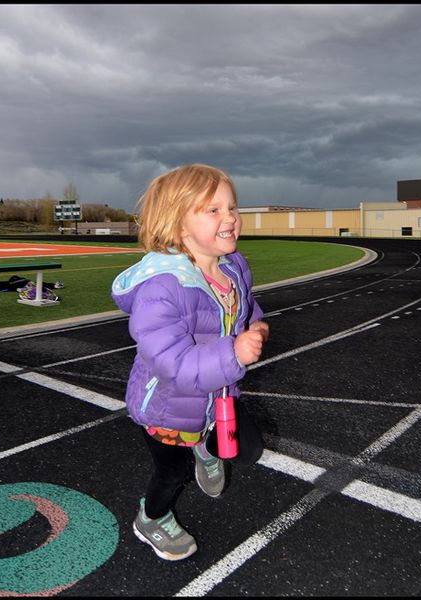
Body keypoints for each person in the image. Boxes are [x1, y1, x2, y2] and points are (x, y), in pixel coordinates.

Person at [111, 164, 269, 561]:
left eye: (232, 207)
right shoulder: (161, 290)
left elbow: (243, 309)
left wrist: (256, 324)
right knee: (172, 473)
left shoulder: (233, 267)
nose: (230, 217)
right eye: (212, 210)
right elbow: (173, 364)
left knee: (247, 450)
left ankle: (205, 447)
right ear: (178, 226)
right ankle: (152, 518)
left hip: (217, 392)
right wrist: (234, 353)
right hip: (168, 407)